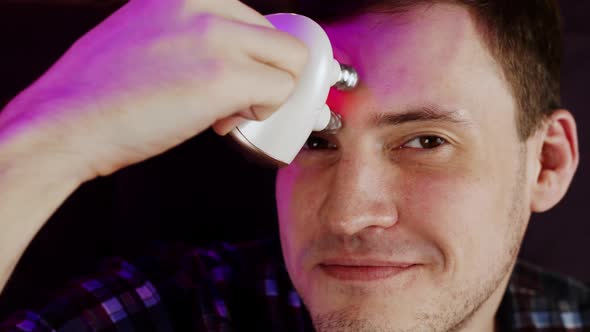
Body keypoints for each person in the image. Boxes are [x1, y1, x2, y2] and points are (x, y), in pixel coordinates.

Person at [0, 0, 585, 331]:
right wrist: (49, 137)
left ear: (546, 164)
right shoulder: (181, 309)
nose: (350, 213)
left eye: (426, 142)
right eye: (314, 139)